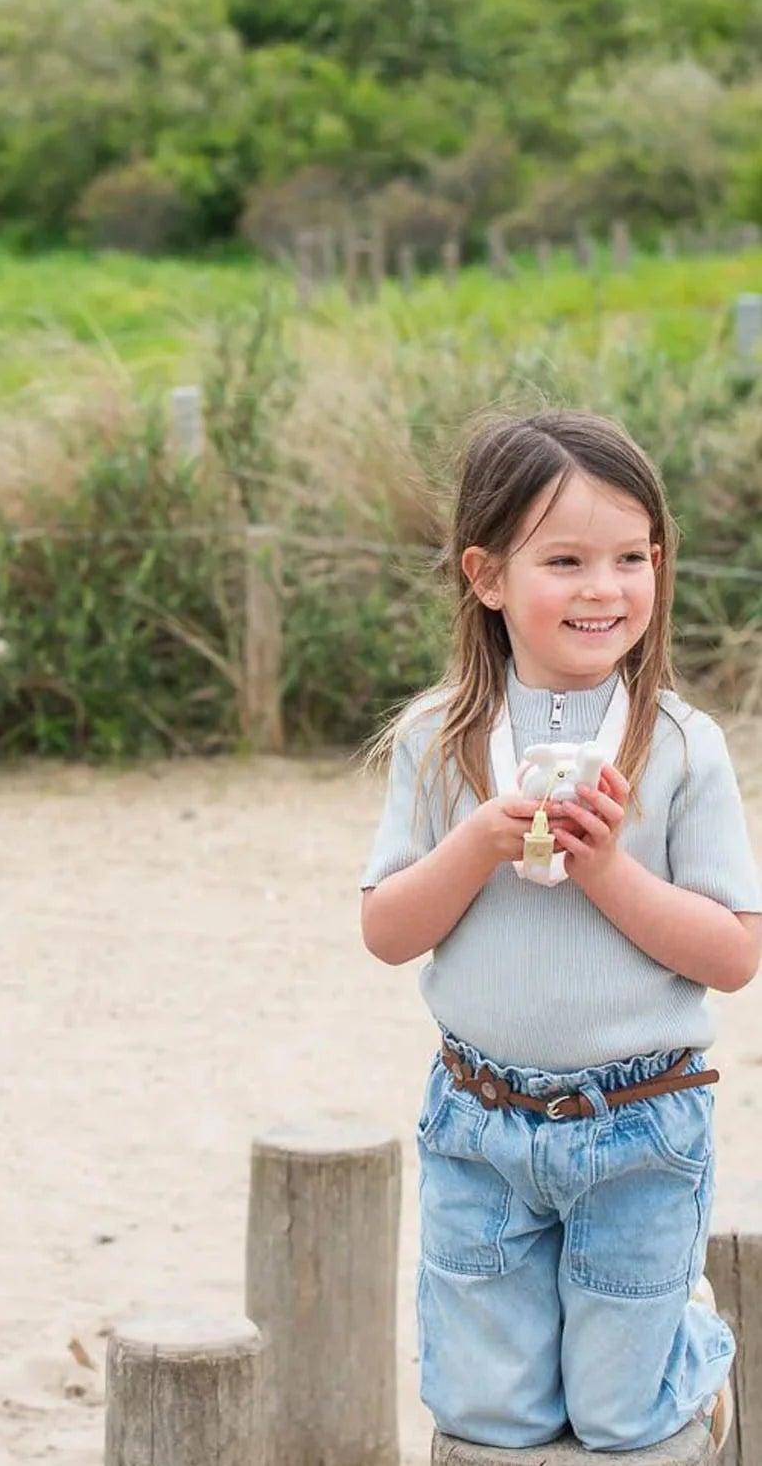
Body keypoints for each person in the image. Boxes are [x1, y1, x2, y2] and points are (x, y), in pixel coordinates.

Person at [360, 410, 762, 1452]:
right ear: (487, 575)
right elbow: (388, 932)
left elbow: (732, 953)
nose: (604, 588)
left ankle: (695, 1350)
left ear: (660, 567)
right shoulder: (438, 739)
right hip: (479, 1120)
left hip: (640, 1123)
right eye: (567, 559)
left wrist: (607, 869)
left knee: (624, 1417)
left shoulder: (680, 744)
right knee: (494, 1415)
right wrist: (480, 844)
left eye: (631, 558)